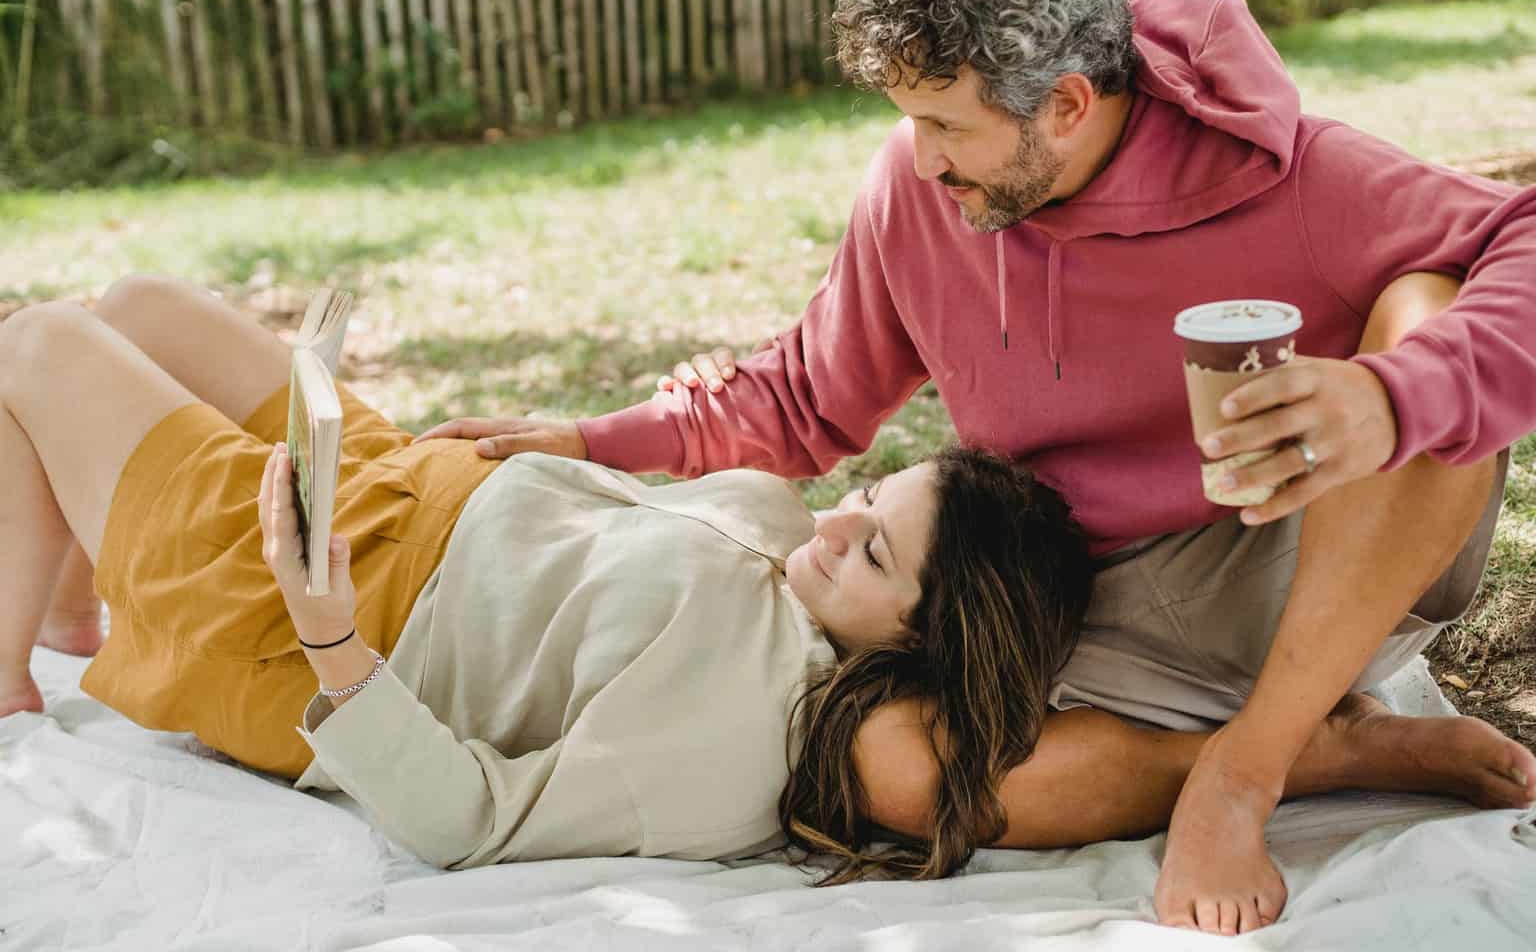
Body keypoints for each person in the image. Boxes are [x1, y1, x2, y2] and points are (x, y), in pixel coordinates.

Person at [410, 0, 1536, 932]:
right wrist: (594, 439)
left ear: (1067, 106)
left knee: (1429, 314)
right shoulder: (920, 186)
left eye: (947, 123)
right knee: (893, 774)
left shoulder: (1290, 175)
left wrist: (1392, 395)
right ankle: (1334, 755)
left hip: (1292, 569)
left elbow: (1518, 237)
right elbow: (806, 396)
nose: (923, 156)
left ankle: (1246, 769)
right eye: (911, 120)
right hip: (1058, 603)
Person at [4, 280, 1532, 889]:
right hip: (412, 496)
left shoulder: (739, 720)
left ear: (917, 640)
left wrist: (334, 640)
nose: (833, 529)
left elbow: (470, 819)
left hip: (329, 605)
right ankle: (72, 608)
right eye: (866, 502)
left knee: (41, 344)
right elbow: (764, 456)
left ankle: (19, 676)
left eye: (870, 551)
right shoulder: (808, 581)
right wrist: (568, 443)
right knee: (140, 305)